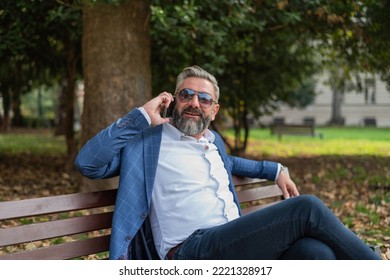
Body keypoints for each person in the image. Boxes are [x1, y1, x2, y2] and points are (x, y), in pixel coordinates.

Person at [74, 65, 380, 260]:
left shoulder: (214, 143)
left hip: (233, 244)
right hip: (190, 253)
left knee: (316, 254)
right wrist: (139, 118)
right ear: (174, 100)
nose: (194, 103)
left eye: (204, 99)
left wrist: (276, 170)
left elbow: (235, 163)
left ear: (214, 110)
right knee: (307, 208)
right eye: (186, 95)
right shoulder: (148, 141)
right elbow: (88, 164)